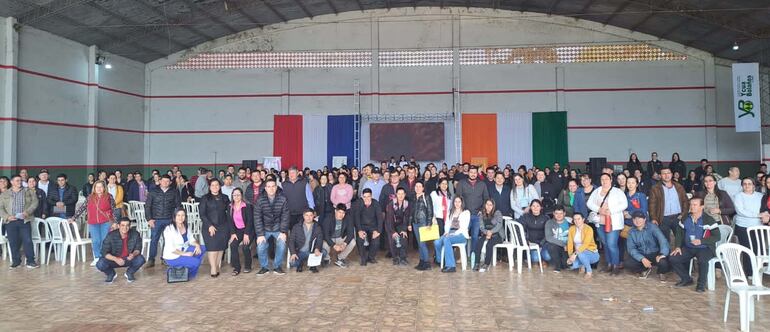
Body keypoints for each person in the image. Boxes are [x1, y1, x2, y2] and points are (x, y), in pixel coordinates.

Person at [669, 197, 721, 292]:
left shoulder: (709, 220)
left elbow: (717, 237)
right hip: (689, 247)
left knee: (702, 261)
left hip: (705, 248)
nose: (691, 207)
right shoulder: (685, 218)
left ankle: (701, 285)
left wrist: (701, 241)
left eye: (695, 205)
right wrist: (677, 247)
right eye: (691, 204)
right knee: (673, 258)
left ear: (702, 207)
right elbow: (679, 233)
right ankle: (686, 279)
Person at [587, 173, 628, 275]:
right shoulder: (597, 191)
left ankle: (615, 265)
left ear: (611, 180)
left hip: (613, 222)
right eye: (602, 179)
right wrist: (599, 209)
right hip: (600, 222)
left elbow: (624, 204)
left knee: (611, 244)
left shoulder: (617, 191)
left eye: (606, 179)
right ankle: (609, 264)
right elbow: (589, 203)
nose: (604, 181)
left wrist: (611, 210)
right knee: (605, 244)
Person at [70, 181, 116, 266]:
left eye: (101, 187)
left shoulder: (109, 197)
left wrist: (115, 222)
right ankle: (97, 257)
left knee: (104, 240)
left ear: (104, 188)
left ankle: (104, 258)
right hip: (93, 222)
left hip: (105, 221)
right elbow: (82, 208)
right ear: (94, 188)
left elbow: (114, 210)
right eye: (97, 187)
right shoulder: (90, 197)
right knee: (95, 241)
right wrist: (74, 217)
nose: (99, 189)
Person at [0, 175, 39, 268]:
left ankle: (30, 261)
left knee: (28, 241)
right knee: (13, 242)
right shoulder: (5, 194)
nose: (19, 182)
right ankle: (16, 261)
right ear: (12, 182)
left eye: (20, 180)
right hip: (11, 221)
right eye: (17, 181)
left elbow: (35, 202)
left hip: (24, 220)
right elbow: (0, 208)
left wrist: (27, 212)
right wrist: (7, 216)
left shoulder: (28, 191)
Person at [454, 166, 489, 266]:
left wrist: (482, 210)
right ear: (467, 173)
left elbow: (486, 198)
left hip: (477, 215)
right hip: (465, 215)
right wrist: (461, 211)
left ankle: (473, 256)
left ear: (477, 173)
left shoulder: (482, 184)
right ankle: (463, 256)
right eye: (471, 172)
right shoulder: (462, 183)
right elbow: (458, 198)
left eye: (475, 172)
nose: (473, 174)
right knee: (463, 235)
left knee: (475, 236)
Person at [253, 178, 290, 275]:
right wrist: (260, 234)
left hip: (278, 228)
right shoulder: (260, 200)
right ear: (265, 188)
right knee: (260, 246)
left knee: (282, 244)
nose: (271, 189)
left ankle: (277, 266)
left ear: (276, 187)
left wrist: (283, 232)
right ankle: (264, 267)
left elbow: (285, 216)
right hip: (265, 229)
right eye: (268, 187)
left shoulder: (283, 199)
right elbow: (257, 218)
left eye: (273, 186)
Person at [144, 175, 181, 268]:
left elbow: (178, 206)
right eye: (163, 181)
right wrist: (149, 219)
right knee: (154, 240)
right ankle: (151, 259)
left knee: (168, 240)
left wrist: (177, 219)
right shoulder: (153, 192)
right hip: (156, 220)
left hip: (169, 219)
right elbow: (147, 206)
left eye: (167, 181)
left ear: (170, 182)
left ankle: (165, 258)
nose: (165, 183)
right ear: (160, 181)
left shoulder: (174, 192)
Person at [625, 211, 670, 280]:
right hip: (642, 254)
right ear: (633, 220)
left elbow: (663, 241)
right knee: (628, 263)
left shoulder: (652, 227)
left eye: (640, 218)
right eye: (635, 219)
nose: (637, 221)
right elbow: (631, 249)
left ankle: (661, 272)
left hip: (655, 253)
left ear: (645, 219)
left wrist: (662, 254)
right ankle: (644, 269)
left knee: (663, 262)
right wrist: (641, 258)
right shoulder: (631, 232)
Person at [96, 217, 144, 282]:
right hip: (114, 260)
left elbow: (138, 248)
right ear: (118, 226)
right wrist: (116, 259)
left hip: (128, 259)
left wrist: (133, 254)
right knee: (100, 264)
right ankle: (111, 274)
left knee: (140, 259)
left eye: (127, 225)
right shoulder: (111, 235)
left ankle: (129, 273)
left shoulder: (135, 234)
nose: (125, 227)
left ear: (130, 226)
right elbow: (104, 252)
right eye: (123, 225)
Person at [733, 177, 765, 276]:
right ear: (742, 186)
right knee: (747, 250)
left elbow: (765, 209)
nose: (747, 186)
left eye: (749, 184)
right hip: (743, 226)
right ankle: (749, 273)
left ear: (754, 186)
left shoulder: (761, 196)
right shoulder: (738, 196)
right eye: (745, 184)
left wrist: (765, 214)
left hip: (758, 226)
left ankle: (760, 271)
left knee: (758, 249)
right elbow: (741, 211)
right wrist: (758, 215)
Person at [199, 179, 230, 277]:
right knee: (212, 247)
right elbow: (202, 214)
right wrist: (209, 225)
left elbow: (229, 211)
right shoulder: (205, 198)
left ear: (220, 186)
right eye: (212, 185)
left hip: (223, 226)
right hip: (209, 226)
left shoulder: (224, 197)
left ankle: (217, 266)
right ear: (209, 187)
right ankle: (213, 268)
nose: (215, 187)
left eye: (217, 185)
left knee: (221, 247)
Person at [163, 209, 206, 278]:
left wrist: (197, 245)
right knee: (196, 262)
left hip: (183, 249)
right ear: (174, 216)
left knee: (202, 248)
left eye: (183, 215)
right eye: (178, 215)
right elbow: (171, 249)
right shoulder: (169, 229)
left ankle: (185, 269)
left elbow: (191, 239)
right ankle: (185, 273)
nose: (181, 217)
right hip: (173, 256)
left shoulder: (185, 225)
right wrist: (186, 254)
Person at [648, 168, 689, 242]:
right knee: (664, 241)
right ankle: (666, 254)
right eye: (664, 173)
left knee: (681, 241)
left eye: (668, 173)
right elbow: (652, 204)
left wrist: (683, 214)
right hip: (663, 218)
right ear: (660, 176)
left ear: (672, 174)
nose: (666, 175)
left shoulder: (679, 187)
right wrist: (653, 218)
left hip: (678, 217)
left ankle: (681, 253)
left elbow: (685, 201)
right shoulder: (655, 188)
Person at [434, 196, 470, 273]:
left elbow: (463, 227)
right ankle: (441, 260)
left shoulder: (466, 212)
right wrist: (447, 232)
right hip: (450, 232)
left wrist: (452, 234)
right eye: (455, 202)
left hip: (460, 234)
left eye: (459, 202)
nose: (457, 203)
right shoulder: (450, 212)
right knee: (437, 242)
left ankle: (451, 266)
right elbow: (447, 224)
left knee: (447, 239)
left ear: (462, 203)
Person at [353, 188, 383, 266]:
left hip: (373, 227)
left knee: (376, 241)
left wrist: (378, 231)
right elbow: (357, 217)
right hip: (362, 227)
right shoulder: (359, 203)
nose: (366, 198)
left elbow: (380, 218)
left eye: (368, 196)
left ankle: (371, 257)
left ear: (371, 196)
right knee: (360, 239)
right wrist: (359, 230)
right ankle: (363, 258)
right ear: (362, 196)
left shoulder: (376, 203)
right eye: (365, 196)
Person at [228, 188, 254, 275]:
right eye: (234, 195)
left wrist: (246, 234)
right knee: (233, 245)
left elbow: (250, 221)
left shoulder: (247, 206)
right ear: (232, 196)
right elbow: (230, 221)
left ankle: (247, 265)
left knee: (245, 247)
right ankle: (237, 267)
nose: (236, 196)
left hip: (248, 229)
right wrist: (233, 233)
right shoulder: (230, 207)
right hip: (237, 230)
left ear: (241, 195)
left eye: (238, 194)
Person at [474, 199, 504, 272]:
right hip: (486, 233)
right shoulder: (481, 214)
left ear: (493, 206)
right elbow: (481, 227)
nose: (488, 206)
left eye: (490, 205)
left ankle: (486, 264)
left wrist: (491, 232)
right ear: (485, 205)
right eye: (487, 204)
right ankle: (477, 263)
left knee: (489, 245)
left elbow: (499, 225)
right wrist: (487, 232)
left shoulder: (497, 213)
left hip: (497, 234)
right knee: (478, 243)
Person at [566, 213, 599, 279]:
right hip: (578, 253)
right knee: (571, 264)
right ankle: (582, 265)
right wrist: (570, 256)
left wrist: (574, 254)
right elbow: (570, 243)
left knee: (581, 254)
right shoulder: (571, 229)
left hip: (592, 253)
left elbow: (585, 244)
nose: (577, 221)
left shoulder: (588, 229)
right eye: (575, 219)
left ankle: (589, 271)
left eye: (579, 219)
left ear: (583, 219)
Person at [323, 204, 356, 268]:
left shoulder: (348, 218)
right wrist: (334, 245)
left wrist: (344, 244)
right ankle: (326, 259)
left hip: (341, 237)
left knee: (353, 242)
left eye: (343, 213)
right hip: (330, 238)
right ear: (335, 211)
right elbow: (326, 235)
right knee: (324, 244)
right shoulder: (328, 218)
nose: (341, 215)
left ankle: (340, 257)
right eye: (339, 212)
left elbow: (350, 233)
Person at [519, 200, 551, 264]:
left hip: (543, 243)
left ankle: (542, 258)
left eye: (537, 206)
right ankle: (538, 258)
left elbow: (548, 234)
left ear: (541, 207)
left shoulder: (546, 218)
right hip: (531, 243)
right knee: (535, 259)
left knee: (548, 257)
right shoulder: (526, 217)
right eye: (533, 206)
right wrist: (526, 241)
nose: (535, 208)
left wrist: (541, 244)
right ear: (530, 207)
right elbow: (521, 230)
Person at [411, 182, 434, 270]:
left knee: (422, 243)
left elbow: (430, 210)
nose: (417, 188)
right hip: (415, 222)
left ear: (423, 188)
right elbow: (411, 211)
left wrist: (429, 223)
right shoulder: (413, 197)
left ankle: (427, 263)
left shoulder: (426, 197)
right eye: (416, 186)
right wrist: (410, 223)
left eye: (420, 186)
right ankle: (422, 261)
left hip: (423, 222)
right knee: (419, 243)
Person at [385, 187, 411, 266]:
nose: (400, 195)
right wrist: (393, 232)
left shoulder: (407, 204)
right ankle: (395, 258)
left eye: (402, 194)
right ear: (396, 194)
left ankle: (403, 258)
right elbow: (389, 219)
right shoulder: (391, 204)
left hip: (401, 224)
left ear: (405, 195)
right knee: (393, 240)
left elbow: (406, 217)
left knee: (403, 238)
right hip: (390, 224)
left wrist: (404, 229)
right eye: (399, 194)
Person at [544, 205, 571, 272]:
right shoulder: (549, 222)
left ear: (564, 213)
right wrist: (563, 245)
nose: (559, 215)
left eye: (561, 213)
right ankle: (557, 266)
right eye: (556, 213)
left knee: (565, 265)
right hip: (555, 245)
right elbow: (549, 238)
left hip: (567, 247)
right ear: (553, 213)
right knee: (551, 247)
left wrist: (568, 245)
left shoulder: (569, 223)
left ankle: (562, 263)